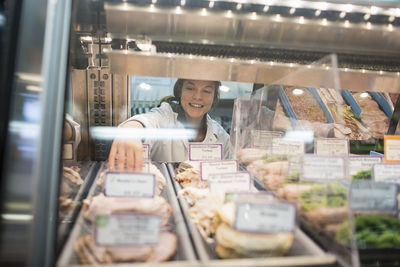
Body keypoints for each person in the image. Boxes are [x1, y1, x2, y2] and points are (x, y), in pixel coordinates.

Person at [108, 79, 230, 171]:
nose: (198, 96)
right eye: (190, 88)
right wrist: (130, 131)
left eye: (207, 91)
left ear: (214, 97)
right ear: (180, 91)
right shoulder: (165, 116)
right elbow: (149, 120)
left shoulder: (220, 136)